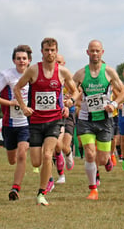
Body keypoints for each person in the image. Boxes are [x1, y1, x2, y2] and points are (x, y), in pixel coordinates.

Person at [14, 38, 78, 206]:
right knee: (36, 161)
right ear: (41, 52)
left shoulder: (62, 72)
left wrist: (69, 103)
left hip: (54, 120)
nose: (50, 53)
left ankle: (41, 193)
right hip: (35, 121)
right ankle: (48, 174)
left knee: (48, 154)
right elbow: (17, 88)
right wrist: (24, 107)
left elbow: (76, 91)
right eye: (47, 50)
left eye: (52, 50)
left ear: (56, 51)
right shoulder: (33, 70)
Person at [73, 40, 124, 200]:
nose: (95, 53)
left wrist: (114, 103)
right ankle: (93, 188)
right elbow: (71, 89)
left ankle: (107, 160)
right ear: (87, 53)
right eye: (92, 51)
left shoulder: (109, 72)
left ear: (102, 52)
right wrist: (73, 99)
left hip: (104, 120)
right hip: (86, 119)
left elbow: (122, 91)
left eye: (97, 51)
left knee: (101, 159)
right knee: (90, 153)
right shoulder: (81, 73)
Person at [0, 45, 33, 200]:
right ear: (14, 60)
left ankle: (15, 189)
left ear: (29, 61)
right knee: (12, 159)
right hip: (9, 123)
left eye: (24, 58)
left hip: (27, 123)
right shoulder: (6, 75)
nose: (21, 61)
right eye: (18, 58)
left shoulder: (34, 75)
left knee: (22, 154)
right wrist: (11, 103)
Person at [54, 54, 76, 184]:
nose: (57, 65)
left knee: (65, 146)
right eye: (56, 62)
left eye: (60, 62)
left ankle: (68, 154)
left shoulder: (68, 78)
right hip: (55, 114)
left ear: (64, 63)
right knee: (57, 145)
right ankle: (61, 175)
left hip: (69, 114)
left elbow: (77, 93)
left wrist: (70, 100)